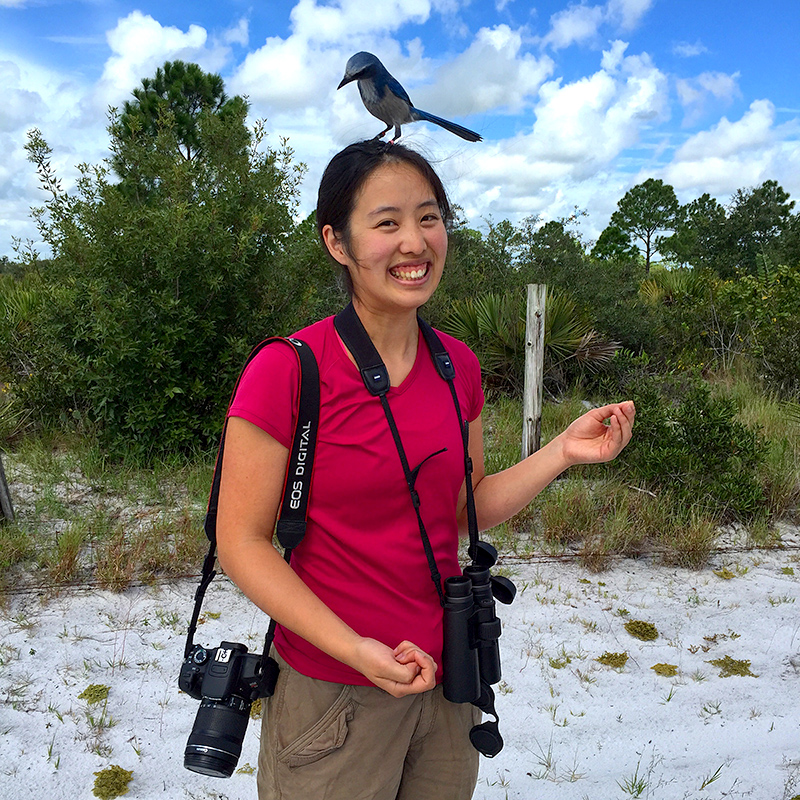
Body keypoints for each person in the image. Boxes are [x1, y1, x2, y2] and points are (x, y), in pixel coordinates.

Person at [215, 139, 635, 800]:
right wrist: (355, 649)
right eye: (387, 223)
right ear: (337, 241)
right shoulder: (289, 370)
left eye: (429, 217)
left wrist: (562, 451)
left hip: (448, 678)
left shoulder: (455, 366)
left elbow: (465, 509)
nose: (414, 241)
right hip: (334, 690)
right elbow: (239, 543)